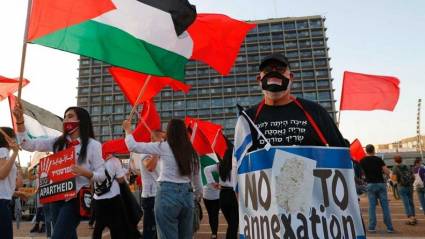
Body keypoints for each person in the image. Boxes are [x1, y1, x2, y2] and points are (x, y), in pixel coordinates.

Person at [13, 104, 106, 239]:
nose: (66, 120)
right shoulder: (57, 142)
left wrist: (85, 173)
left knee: (58, 236)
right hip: (56, 197)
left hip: (77, 198)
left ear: (81, 120)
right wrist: (20, 120)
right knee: (66, 235)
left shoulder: (93, 145)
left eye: (70, 116)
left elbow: (102, 175)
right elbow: (28, 144)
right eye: (65, 117)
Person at [240, 52, 346, 152]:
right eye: (268, 70)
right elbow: (238, 163)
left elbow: (342, 155)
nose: (274, 72)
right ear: (259, 79)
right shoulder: (248, 118)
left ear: (291, 77)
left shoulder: (315, 112)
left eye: (280, 69)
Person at [123, 118, 202, 239]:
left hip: (166, 194)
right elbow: (198, 183)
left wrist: (128, 130)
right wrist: (196, 196)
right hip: (187, 196)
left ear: (169, 132)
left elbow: (133, 146)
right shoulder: (192, 152)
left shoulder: (163, 146)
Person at [204, 143, 238, 239]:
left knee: (231, 224)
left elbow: (206, 169)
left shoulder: (220, 165)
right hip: (233, 195)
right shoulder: (236, 165)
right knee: (234, 225)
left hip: (222, 195)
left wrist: (212, 183)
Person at [0, 127, 27, 239]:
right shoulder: (2, 151)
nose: (16, 139)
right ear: (8, 138)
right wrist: (15, 153)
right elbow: (2, 174)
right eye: (14, 137)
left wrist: (15, 193)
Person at [92, 154, 128, 239]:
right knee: (115, 226)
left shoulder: (96, 161)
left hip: (98, 197)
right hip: (113, 197)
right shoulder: (115, 160)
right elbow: (121, 180)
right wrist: (115, 176)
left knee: (98, 227)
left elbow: (91, 178)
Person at [359, 144, 394, 232]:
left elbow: (360, 173)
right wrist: (390, 176)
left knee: (372, 206)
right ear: (374, 150)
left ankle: (372, 227)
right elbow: (386, 171)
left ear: (366, 151)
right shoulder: (379, 159)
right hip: (380, 184)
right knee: (385, 206)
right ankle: (389, 227)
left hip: (370, 184)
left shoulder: (362, 160)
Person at [139, 130, 165, 239]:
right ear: (154, 139)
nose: (164, 141)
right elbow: (150, 167)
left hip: (161, 194)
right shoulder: (147, 153)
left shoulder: (163, 154)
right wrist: (156, 152)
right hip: (150, 196)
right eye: (162, 139)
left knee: (159, 229)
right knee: (150, 230)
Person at [392, 155, 417, 225]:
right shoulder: (408, 166)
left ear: (395, 161)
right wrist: (411, 183)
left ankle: (410, 219)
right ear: (402, 160)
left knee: (406, 203)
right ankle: (414, 217)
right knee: (411, 202)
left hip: (402, 187)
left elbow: (394, 179)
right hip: (410, 186)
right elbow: (413, 177)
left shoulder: (395, 168)